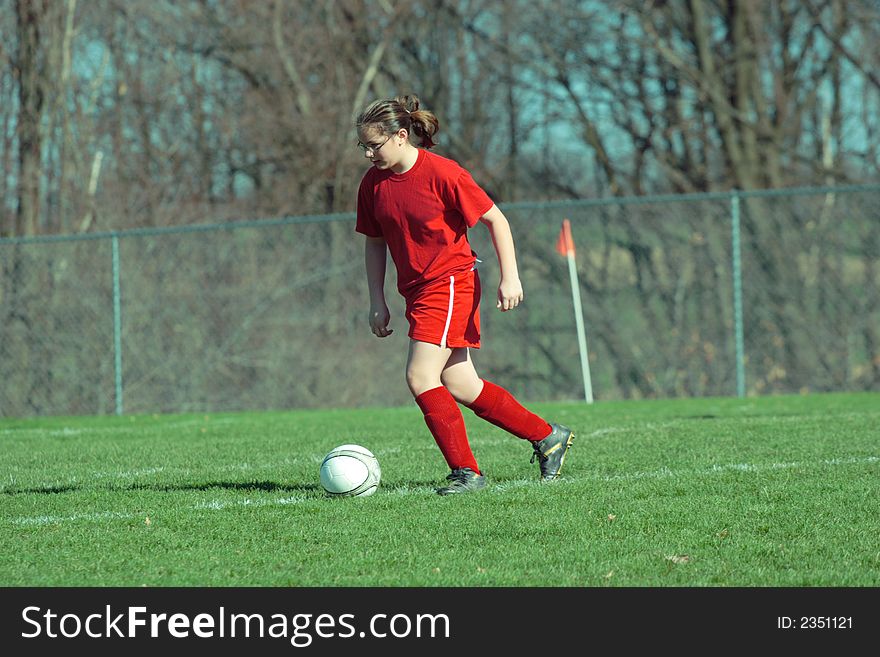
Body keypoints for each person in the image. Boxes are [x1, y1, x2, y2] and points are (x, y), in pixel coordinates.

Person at [355, 94, 574, 495]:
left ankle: (467, 473)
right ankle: (548, 437)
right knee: (461, 384)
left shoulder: (443, 173)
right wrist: (377, 300)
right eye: (364, 146)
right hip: (416, 291)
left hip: (451, 282)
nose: (369, 153)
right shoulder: (372, 185)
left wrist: (511, 277)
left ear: (401, 136)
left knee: (420, 376)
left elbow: (496, 219)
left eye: (375, 144)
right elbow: (374, 243)